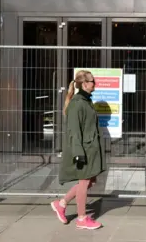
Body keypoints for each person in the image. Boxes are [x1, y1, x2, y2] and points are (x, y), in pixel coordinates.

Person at [50, 70, 106, 230]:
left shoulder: (85, 101)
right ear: (84, 84)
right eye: (93, 81)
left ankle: (61, 203)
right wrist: (78, 154)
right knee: (84, 181)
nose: (95, 84)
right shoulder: (77, 103)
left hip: (89, 149)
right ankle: (81, 218)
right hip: (83, 150)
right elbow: (74, 132)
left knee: (90, 181)